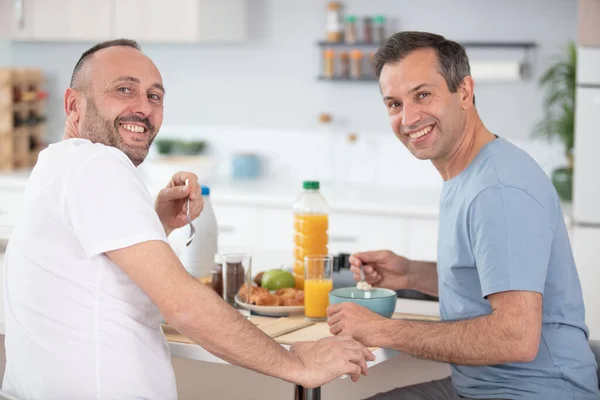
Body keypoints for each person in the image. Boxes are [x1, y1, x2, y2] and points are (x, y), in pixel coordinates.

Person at [2, 39, 375, 400]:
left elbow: (90, 278)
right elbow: (181, 304)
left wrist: (156, 223)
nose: (144, 108)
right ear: (73, 106)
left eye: (155, 96)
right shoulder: (97, 163)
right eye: (124, 90)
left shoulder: (58, 165)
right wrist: (294, 363)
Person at [326, 31, 600, 399]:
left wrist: (384, 330)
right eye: (394, 104)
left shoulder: (498, 190)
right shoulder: (469, 171)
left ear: (465, 92)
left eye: (423, 95)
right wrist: (410, 274)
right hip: (484, 386)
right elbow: (492, 283)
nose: (408, 118)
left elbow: (515, 338)